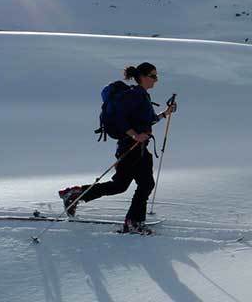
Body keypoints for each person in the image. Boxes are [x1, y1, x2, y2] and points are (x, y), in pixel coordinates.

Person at [58, 62, 177, 234]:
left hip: (138, 147)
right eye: (153, 76)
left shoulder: (142, 96)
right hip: (132, 147)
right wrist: (134, 135)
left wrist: (166, 113)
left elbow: (147, 120)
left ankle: (75, 194)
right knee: (144, 184)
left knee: (121, 185)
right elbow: (118, 118)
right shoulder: (135, 95)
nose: (156, 80)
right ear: (142, 77)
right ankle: (133, 222)